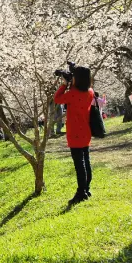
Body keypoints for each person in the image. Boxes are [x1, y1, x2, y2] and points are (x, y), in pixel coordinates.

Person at [54, 66, 95, 205]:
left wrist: (65, 84)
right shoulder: (90, 91)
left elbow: (57, 99)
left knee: (79, 164)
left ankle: (81, 192)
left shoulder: (72, 93)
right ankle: (87, 189)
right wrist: (72, 83)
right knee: (86, 161)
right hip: (86, 131)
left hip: (75, 133)